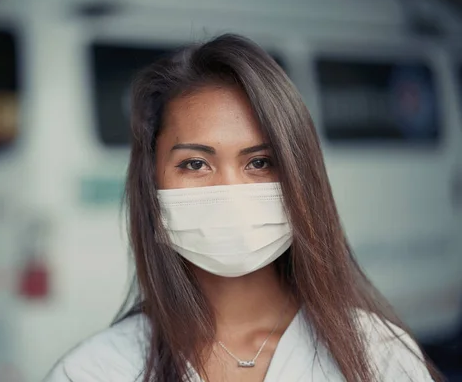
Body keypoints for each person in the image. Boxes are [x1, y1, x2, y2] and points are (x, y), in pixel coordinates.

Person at [45, 34, 439, 381]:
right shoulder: (94, 371)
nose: (230, 192)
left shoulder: (379, 356)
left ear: (300, 177)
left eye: (260, 163)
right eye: (195, 164)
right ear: (152, 185)